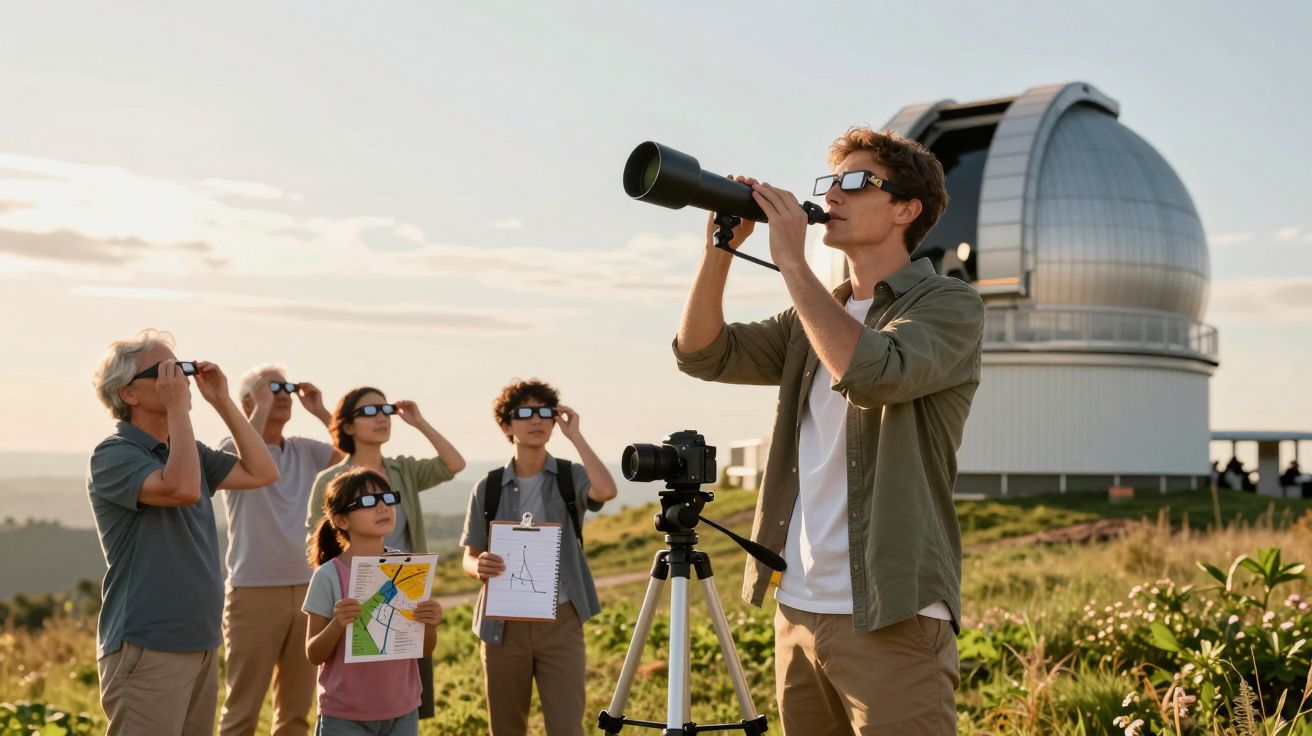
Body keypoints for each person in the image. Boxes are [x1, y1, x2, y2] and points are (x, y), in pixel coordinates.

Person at [673, 127, 983, 734]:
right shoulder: (814, 317)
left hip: (890, 614)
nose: (833, 195)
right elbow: (701, 353)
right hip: (799, 610)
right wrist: (720, 250)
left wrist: (791, 260)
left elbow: (869, 373)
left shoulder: (949, 305)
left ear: (906, 209)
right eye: (830, 182)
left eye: (855, 182)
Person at [88, 330, 279, 735]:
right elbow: (182, 488)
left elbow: (263, 472)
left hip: (200, 641)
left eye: (181, 369)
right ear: (129, 394)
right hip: (148, 642)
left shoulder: (185, 451)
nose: (180, 380)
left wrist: (223, 402)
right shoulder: (114, 454)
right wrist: (182, 411)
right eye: (165, 371)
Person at [459, 379, 618, 736]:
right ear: (505, 424)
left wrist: (575, 436)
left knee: (566, 727)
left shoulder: (569, 475)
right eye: (525, 413)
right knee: (506, 727)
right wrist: (478, 566)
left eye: (544, 412)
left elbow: (606, 490)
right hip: (502, 625)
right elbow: (469, 557)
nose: (536, 420)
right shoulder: (487, 486)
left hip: (561, 620)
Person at [307, 386, 466, 719]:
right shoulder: (330, 480)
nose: (381, 416)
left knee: (402, 696)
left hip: (405, 591)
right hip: (351, 598)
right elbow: (317, 540)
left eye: (385, 409)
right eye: (368, 411)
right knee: (357, 690)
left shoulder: (402, 470)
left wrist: (419, 422)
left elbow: (454, 464)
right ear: (347, 426)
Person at [218, 365, 344, 736]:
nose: (283, 395)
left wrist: (321, 411)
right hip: (254, 591)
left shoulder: (305, 451)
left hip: (309, 590)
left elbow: (354, 453)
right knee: (242, 709)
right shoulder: (230, 449)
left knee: (296, 713)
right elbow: (245, 458)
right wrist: (259, 406)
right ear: (248, 402)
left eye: (286, 389)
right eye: (272, 389)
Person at [303, 467, 443, 736]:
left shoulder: (406, 568)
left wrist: (430, 624)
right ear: (342, 520)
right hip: (345, 715)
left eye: (388, 498)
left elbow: (423, 649)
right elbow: (313, 653)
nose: (382, 507)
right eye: (368, 501)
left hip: (402, 709)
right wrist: (338, 624)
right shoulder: (328, 576)